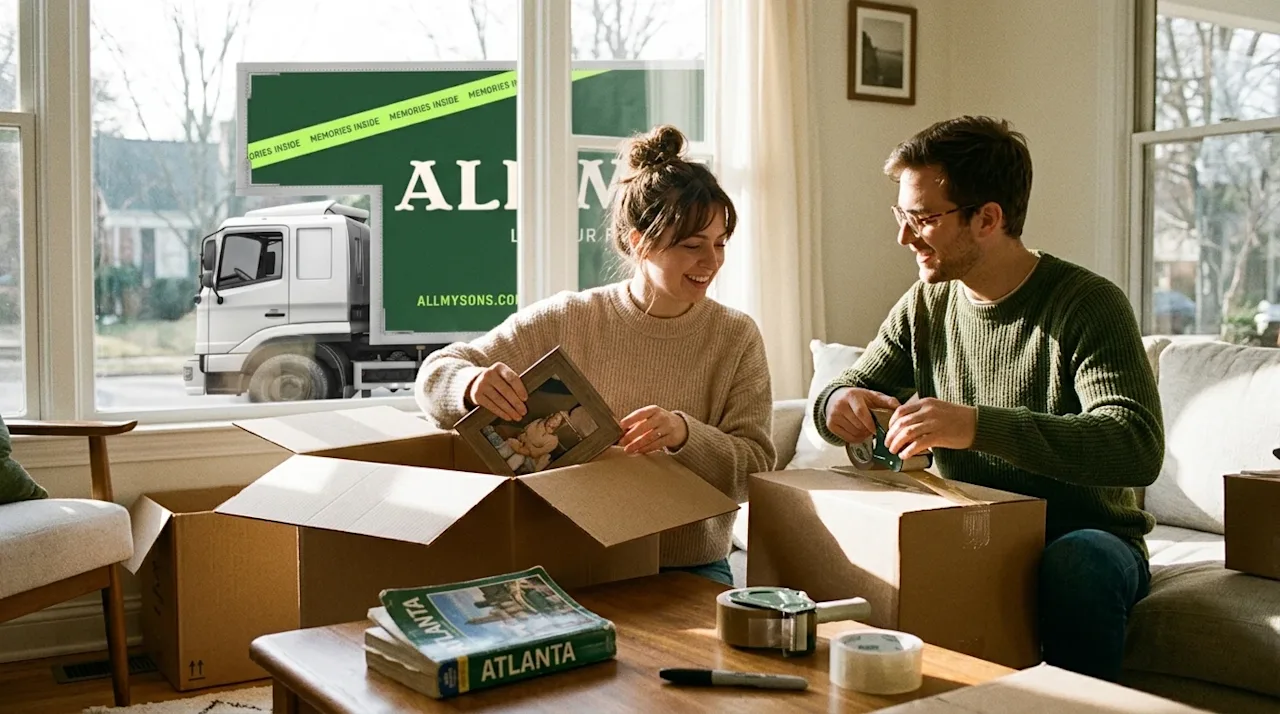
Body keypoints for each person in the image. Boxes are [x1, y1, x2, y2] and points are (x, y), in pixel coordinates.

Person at [815, 116, 1164, 681]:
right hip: (972, 533)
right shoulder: (924, 306)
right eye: (902, 216)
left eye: (923, 219)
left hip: (1086, 539)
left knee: (1079, 562)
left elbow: (1135, 444)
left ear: (987, 219)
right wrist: (837, 404)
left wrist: (977, 427)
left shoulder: (1088, 304)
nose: (905, 238)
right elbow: (846, 388)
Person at [415, 123, 775, 587]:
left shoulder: (736, 337)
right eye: (692, 246)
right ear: (639, 242)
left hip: (689, 566)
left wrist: (685, 434)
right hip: (574, 563)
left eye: (720, 242)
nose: (713, 261)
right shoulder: (570, 318)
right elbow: (435, 373)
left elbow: (756, 468)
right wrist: (468, 385)